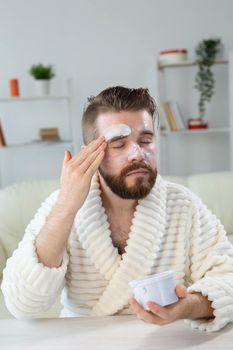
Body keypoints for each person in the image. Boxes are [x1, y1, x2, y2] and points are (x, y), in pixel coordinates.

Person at [2, 86, 233, 332]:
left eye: (145, 140)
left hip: (162, 341)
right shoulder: (62, 206)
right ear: (90, 154)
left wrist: (188, 306)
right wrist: (67, 207)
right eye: (119, 144)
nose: (137, 154)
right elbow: (23, 304)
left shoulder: (183, 205)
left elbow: (228, 276)